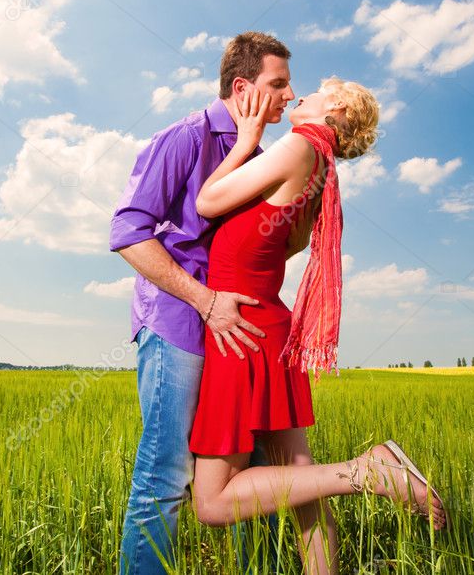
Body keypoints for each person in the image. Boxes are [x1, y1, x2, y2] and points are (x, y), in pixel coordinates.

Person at [187, 79, 447, 575]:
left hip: (239, 331)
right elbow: (286, 245)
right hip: (267, 325)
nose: (300, 94)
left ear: (340, 107)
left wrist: (244, 140)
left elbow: (207, 202)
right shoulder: (321, 169)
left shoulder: (300, 145)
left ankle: (364, 471)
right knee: (301, 479)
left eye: (319, 90)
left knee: (213, 503)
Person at [110, 32, 304, 574]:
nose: (289, 95)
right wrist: (204, 299)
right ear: (242, 89)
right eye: (278, 84)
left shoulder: (264, 158)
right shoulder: (184, 138)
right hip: (178, 324)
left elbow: (272, 245)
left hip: (239, 331)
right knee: (167, 475)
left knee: (256, 469)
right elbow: (128, 231)